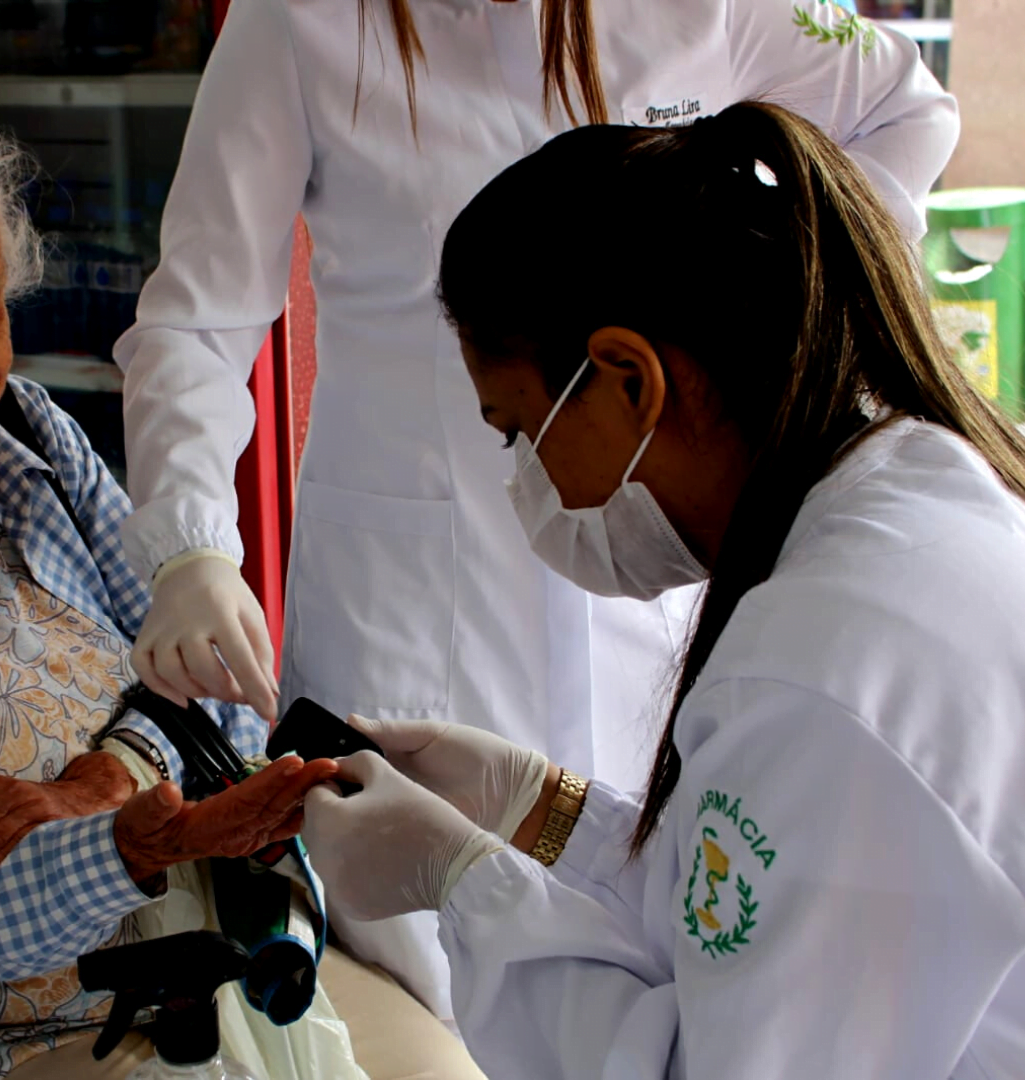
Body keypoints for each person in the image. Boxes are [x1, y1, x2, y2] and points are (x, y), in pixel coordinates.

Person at [112, 0, 958, 1017]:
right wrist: (191, 545)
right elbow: (199, 317)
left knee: (672, 923)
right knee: (412, 974)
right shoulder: (300, 18)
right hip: (414, 587)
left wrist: (760, 316)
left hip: (643, 552)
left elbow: (909, 113)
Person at [0, 98, 482, 1080]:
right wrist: (142, 844)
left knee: (450, 1063)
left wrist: (108, 781)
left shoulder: (27, 438)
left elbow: (211, 689)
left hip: (189, 953)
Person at [301, 100, 1025, 1078]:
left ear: (628, 380)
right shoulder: (913, 490)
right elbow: (749, 913)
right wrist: (534, 804)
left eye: (518, 431)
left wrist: (461, 881)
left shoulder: (819, 672)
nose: (532, 481)